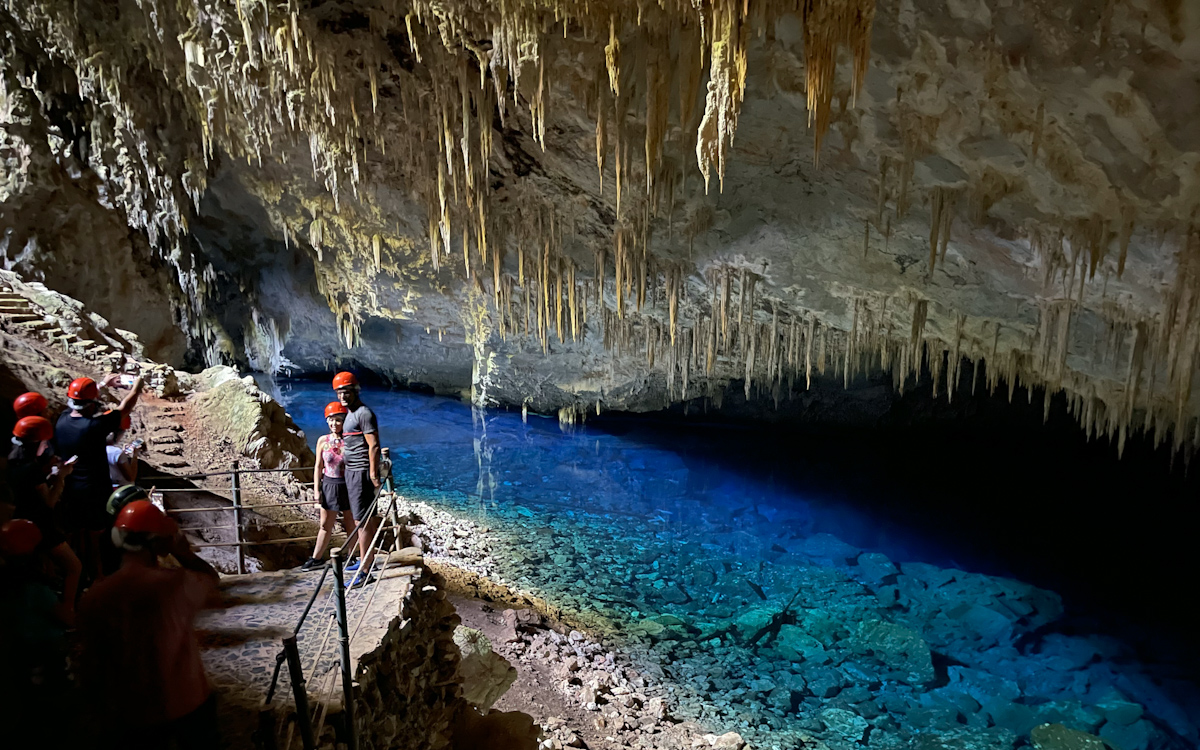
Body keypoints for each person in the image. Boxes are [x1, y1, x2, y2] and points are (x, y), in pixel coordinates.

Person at [77, 500, 220, 750]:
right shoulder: (175, 586)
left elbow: (91, 662)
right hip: (185, 702)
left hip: (128, 713)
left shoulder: (94, 597)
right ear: (160, 542)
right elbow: (211, 579)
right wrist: (182, 552)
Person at [55, 374, 143, 578]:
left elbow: (79, 406)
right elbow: (124, 409)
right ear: (90, 405)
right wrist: (136, 389)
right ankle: (99, 580)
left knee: (76, 536)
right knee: (97, 541)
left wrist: (101, 385)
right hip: (94, 492)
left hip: (70, 490)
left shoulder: (62, 420)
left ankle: (78, 580)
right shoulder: (93, 427)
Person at [7, 416, 82, 625]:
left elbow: (30, 488)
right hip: (40, 524)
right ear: (35, 444)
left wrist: (48, 474)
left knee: (42, 570)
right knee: (74, 566)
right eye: (43, 442)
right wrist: (62, 476)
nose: (46, 445)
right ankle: (68, 611)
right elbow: (49, 501)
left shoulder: (13, 458)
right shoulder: (30, 469)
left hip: (21, 520)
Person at [333, 372, 381, 587]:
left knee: (361, 521)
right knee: (363, 519)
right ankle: (366, 559)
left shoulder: (364, 414)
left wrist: (373, 474)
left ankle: (364, 571)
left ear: (355, 391)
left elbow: (374, 445)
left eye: (346, 392)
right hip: (353, 471)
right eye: (339, 392)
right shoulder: (350, 414)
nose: (343, 396)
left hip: (361, 472)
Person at [299, 401, 357, 572]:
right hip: (330, 485)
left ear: (344, 421)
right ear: (326, 421)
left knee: (350, 524)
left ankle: (351, 556)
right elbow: (318, 466)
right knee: (325, 524)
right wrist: (316, 491)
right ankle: (316, 558)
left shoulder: (351, 441)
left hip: (348, 486)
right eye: (331, 420)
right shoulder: (323, 441)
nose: (334, 423)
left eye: (338, 420)